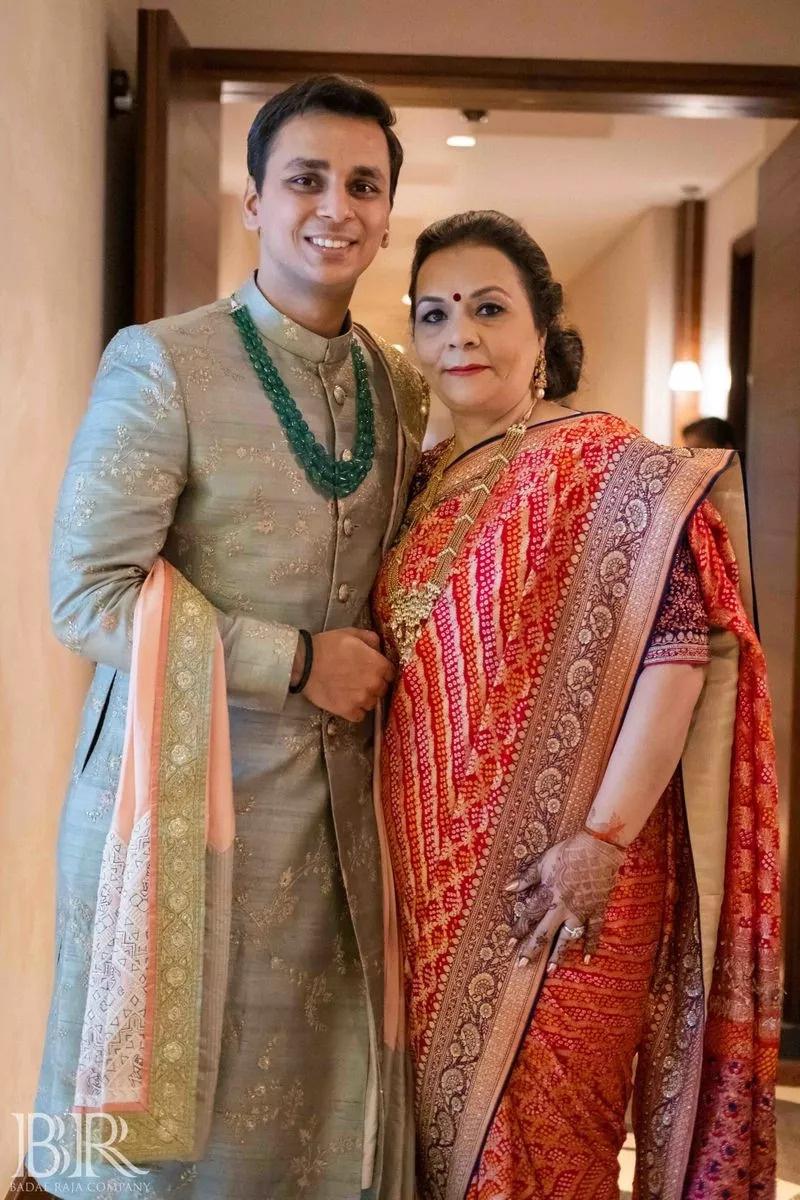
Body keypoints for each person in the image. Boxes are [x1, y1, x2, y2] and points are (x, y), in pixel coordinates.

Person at [21, 76, 427, 1200]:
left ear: (388, 213)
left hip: (338, 824)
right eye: (304, 179)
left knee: (312, 1126)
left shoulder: (397, 388)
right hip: (180, 809)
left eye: (362, 184)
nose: (332, 207)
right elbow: (87, 593)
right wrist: (294, 659)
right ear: (254, 200)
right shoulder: (163, 360)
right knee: (173, 1148)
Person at [372, 211, 780, 1200]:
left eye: (485, 308)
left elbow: (674, 655)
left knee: (555, 1146)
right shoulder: (413, 486)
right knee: (439, 1151)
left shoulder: (611, 468)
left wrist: (597, 841)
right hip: (424, 891)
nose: (456, 334)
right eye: (432, 314)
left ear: (541, 330)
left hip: (570, 873)